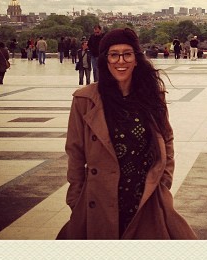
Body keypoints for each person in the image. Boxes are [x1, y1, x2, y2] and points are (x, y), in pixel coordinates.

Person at [58, 27, 197, 240]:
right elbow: (75, 154)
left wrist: (163, 182)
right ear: (105, 59)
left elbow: (166, 138)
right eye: (114, 54)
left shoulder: (152, 95)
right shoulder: (84, 100)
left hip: (145, 197)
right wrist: (76, 200)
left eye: (127, 54)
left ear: (136, 59)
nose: (120, 61)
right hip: (101, 199)